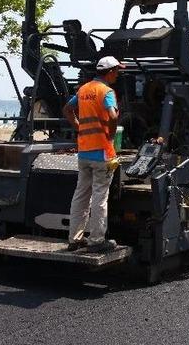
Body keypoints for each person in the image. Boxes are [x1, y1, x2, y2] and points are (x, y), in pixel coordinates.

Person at [62, 56, 124, 253]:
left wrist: (79, 128)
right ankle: (97, 240)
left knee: (80, 195)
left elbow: (67, 109)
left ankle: (74, 238)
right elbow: (113, 115)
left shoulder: (83, 90)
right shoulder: (107, 92)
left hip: (84, 152)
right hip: (102, 153)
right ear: (111, 71)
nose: (118, 75)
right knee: (100, 197)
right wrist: (111, 134)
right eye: (117, 71)